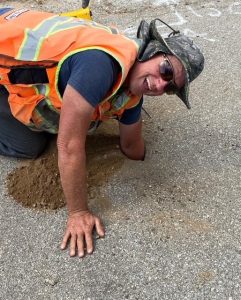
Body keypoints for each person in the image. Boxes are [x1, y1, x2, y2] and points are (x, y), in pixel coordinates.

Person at [0, 7, 204, 257]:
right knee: (28, 145)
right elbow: (69, 146)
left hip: (14, 30)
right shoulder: (100, 66)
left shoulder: (132, 89)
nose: (161, 84)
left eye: (170, 87)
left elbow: (131, 146)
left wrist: (151, 167)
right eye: (166, 70)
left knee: (81, 119)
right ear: (152, 50)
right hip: (5, 53)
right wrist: (78, 212)